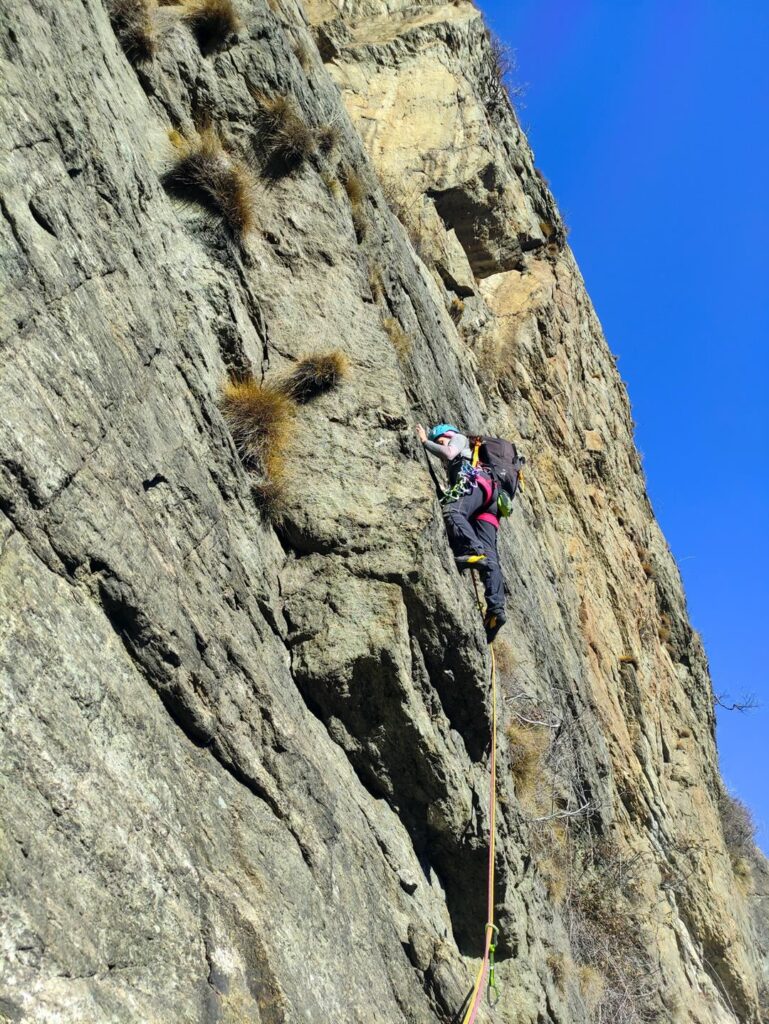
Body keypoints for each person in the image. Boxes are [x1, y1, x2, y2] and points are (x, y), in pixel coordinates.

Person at [416, 423, 507, 643]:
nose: (441, 446)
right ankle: (496, 610)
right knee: (490, 555)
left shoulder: (458, 439)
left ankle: (473, 551)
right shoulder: (472, 456)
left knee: (453, 512)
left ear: (447, 434)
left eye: (440, 440)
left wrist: (425, 442)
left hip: (477, 484)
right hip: (491, 503)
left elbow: (449, 452)